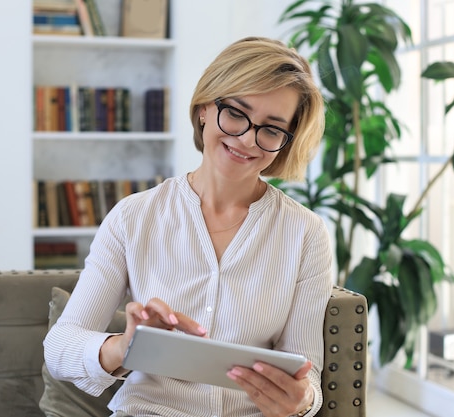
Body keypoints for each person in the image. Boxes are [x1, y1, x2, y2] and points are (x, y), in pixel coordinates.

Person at [44, 36, 332, 417]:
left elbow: (306, 373)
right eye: (235, 113)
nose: (247, 138)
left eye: (271, 129)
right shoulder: (133, 217)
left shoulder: (306, 234)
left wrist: (303, 401)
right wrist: (127, 346)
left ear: (286, 141)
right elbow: (60, 346)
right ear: (203, 109)